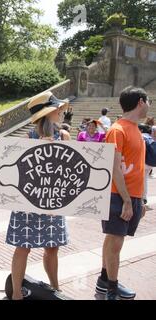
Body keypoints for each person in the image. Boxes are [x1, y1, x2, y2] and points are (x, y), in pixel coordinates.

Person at [6, 91, 70, 300]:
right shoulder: (28, 138)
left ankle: (55, 289)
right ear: (47, 112)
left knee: (53, 247)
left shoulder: (65, 136)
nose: (61, 111)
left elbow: (71, 170)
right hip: (29, 201)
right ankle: (16, 293)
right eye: (57, 108)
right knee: (23, 247)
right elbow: (15, 171)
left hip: (54, 201)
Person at [96, 86, 149, 300]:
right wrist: (127, 200)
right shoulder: (117, 129)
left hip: (131, 196)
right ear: (140, 102)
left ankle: (104, 281)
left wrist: (141, 199)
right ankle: (112, 288)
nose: (149, 105)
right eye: (148, 101)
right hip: (118, 196)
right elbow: (114, 167)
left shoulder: (136, 130)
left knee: (114, 240)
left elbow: (139, 167)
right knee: (116, 242)